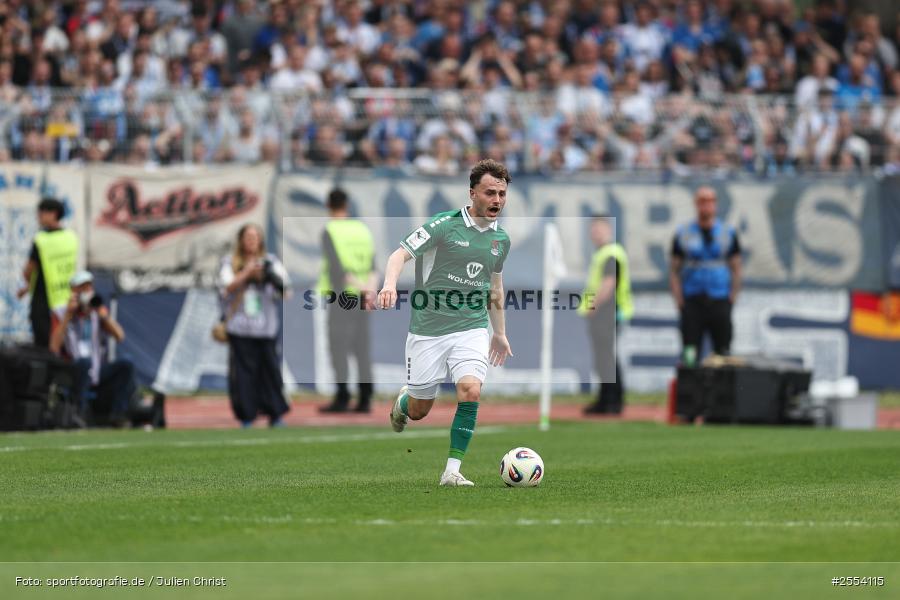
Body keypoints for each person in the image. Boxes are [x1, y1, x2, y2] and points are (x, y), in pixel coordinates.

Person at [377, 159, 513, 487]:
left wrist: (499, 333)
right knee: (421, 409)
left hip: (471, 327)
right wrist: (389, 284)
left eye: (502, 194)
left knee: (470, 390)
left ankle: (452, 471)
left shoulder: (500, 241)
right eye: (490, 193)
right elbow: (398, 255)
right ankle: (404, 402)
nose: (497, 200)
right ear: (472, 193)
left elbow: (494, 287)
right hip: (428, 329)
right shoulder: (443, 225)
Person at [218, 224, 291, 428]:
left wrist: (271, 277)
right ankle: (247, 415)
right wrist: (247, 273)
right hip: (240, 327)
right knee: (243, 375)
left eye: (255, 236)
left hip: (265, 327)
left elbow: (287, 291)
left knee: (270, 372)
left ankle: (275, 413)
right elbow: (227, 287)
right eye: (248, 236)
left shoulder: (271, 262)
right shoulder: (230, 262)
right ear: (241, 240)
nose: (252, 240)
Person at [318, 188, 377, 413]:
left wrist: (359, 288)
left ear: (328, 205)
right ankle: (365, 398)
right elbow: (373, 265)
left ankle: (342, 397)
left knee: (339, 349)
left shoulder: (330, 230)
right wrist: (369, 292)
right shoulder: (362, 229)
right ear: (347, 204)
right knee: (362, 348)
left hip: (342, 297)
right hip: (363, 298)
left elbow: (338, 270)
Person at [49, 271, 134, 425]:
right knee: (84, 363)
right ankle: (80, 413)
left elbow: (120, 336)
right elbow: (54, 347)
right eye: (82, 287)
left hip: (95, 369)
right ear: (74, 291)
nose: (87, 291)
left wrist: (104, 316)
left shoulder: (96, 311)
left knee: (126, 364)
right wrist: (68, 315)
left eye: (89, 287)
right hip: (73, 368)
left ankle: (118, 414)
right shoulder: (60, 312)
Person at [669, 187, 742, 364]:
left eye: (710, 202)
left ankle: (721, 391)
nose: (706, 206)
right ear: (696, 205)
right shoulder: (684, 233)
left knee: (722, 353)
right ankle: (691, 390)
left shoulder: (727, 233)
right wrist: (679, 300)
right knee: (690, 353)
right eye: (702, 202)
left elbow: (737, 267)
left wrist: (732, 296)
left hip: (719, 297)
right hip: (693, 299)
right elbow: (674, 270)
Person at [578, 216, 633, 415]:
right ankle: (605, 400)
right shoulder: (603, 253)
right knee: (603, 358)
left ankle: (612, 401)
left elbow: (608, 284)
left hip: (607, 313)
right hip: (604, 313)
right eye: (593, 229)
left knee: (607, 358)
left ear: (608, 230)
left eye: (599, 229)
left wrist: (592, 307)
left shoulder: (610, 253)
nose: (595, 233)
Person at [18, 198, 79, 348]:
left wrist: (27, 284)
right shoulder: (71, 237)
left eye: (42, 212)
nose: (39, 216)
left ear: (54, 214)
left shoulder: (41, 239)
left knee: (43, 345)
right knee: (64, 344)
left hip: (43, 299)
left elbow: (29, 270)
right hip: (65, 298)